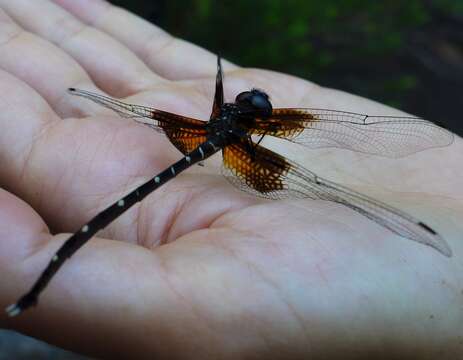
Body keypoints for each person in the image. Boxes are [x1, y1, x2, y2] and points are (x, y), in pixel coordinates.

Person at [0, 0, 461, 359]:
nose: (257, 101)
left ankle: (39, 287)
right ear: (256, 115)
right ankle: (41, 284)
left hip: (204, 141)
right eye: (256, 102)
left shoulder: (224, 121)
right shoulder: (249, 131)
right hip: (213, 141)